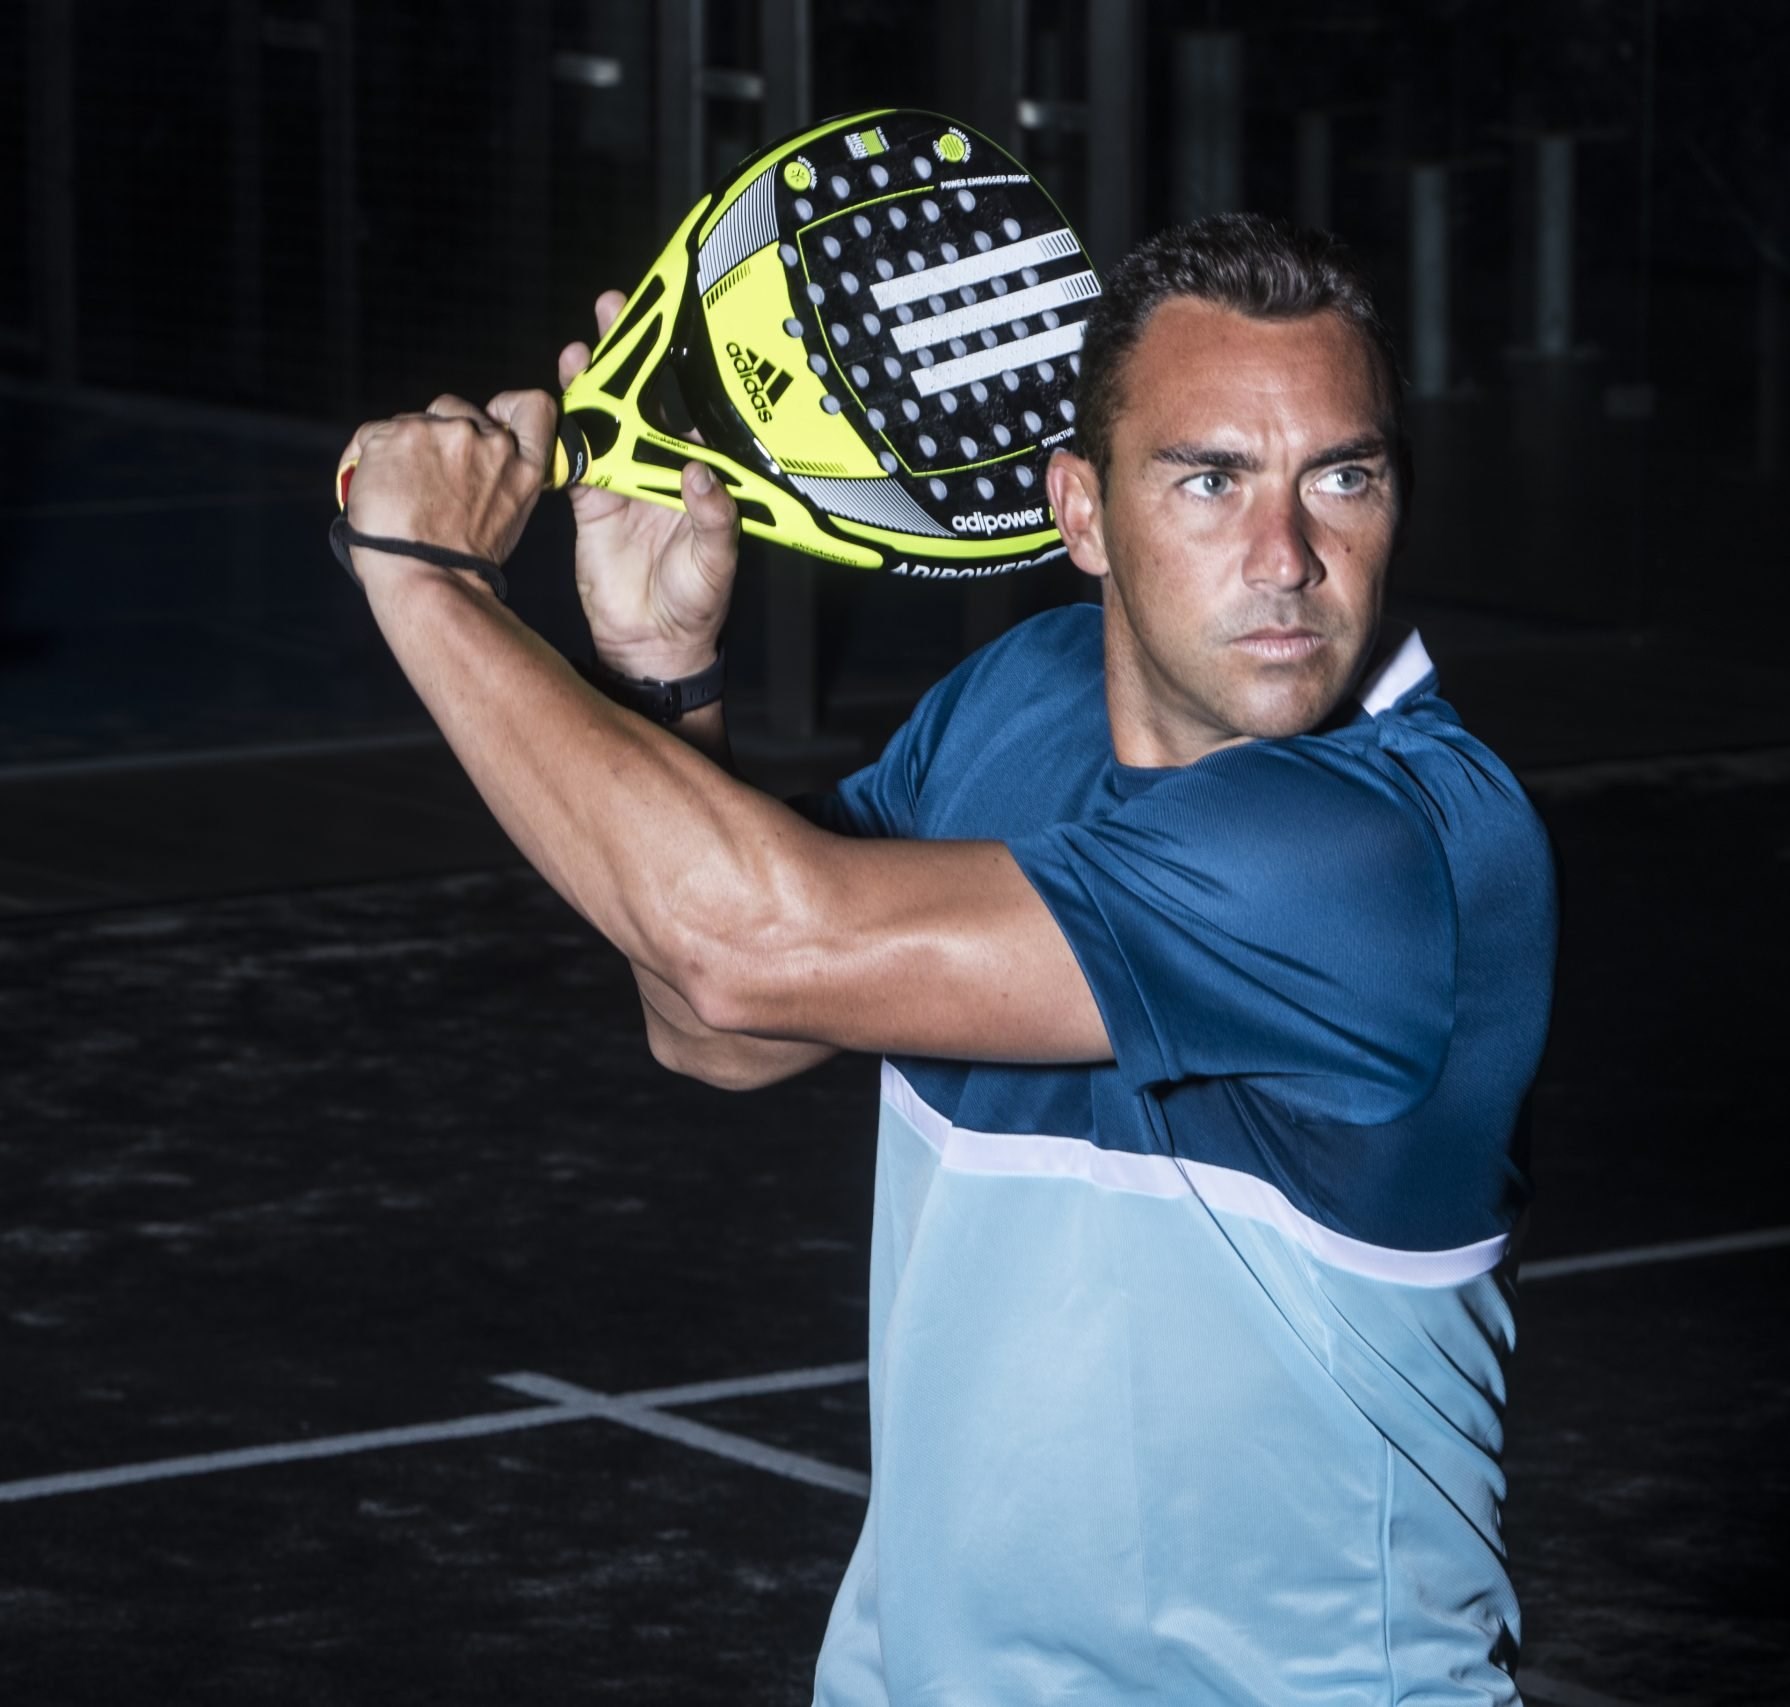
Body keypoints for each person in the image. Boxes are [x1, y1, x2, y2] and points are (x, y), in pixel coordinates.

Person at [336, 212, 1556, 1705]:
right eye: (1210, 479)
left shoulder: (1381, 855)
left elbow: (743, 949)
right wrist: (663, 676)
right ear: (1083, 512)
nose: (1286, 556)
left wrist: (425, 578)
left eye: (1341, 477)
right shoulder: (1018, 701)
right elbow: (722, 1030)